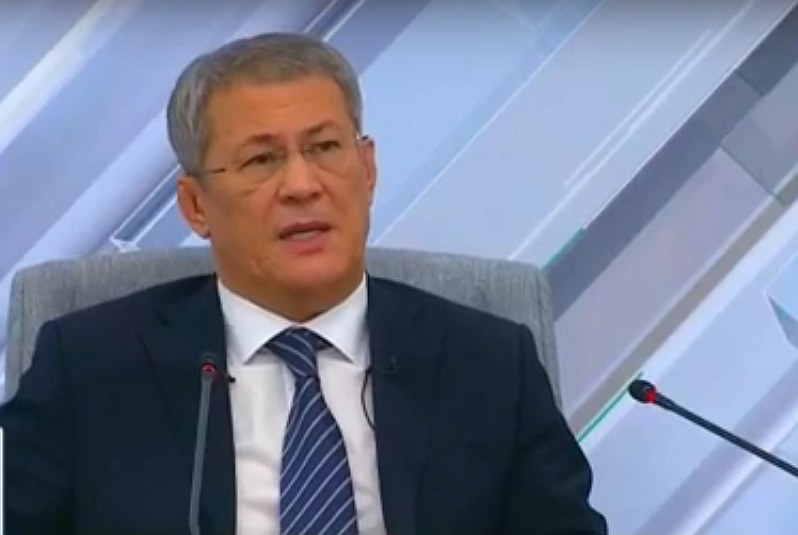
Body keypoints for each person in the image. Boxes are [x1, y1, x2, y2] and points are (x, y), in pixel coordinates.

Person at [0, 33, 607, 535]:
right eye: (262, 160)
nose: (301, 185)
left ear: (367, 170)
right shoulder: (89, 367)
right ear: (195, 206)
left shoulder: (489, 364)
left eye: (324, 148)